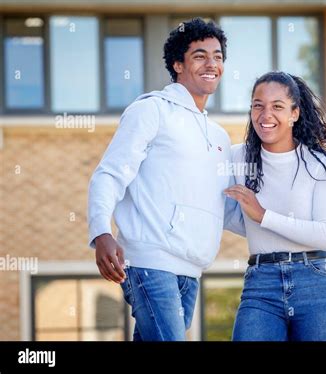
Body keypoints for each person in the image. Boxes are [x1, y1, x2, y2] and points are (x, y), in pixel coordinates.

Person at [88, 18, 229, 341]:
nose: (212, 64)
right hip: (150, 261)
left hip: (191, 271)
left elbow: (226, 206)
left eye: (218, 56)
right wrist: (101, 232)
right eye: (199, 56)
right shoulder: (152, 110)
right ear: (178, 64)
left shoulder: (219, 136)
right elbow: (110, 173)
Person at [224, 71, 326, 341]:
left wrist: (263, 216)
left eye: (277, 106)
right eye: (258, 105)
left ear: (294, 113)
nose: (265, 115)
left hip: (316, 283)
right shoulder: (237, 158)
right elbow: (232, 216)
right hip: (261, 284)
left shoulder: (322, 165)